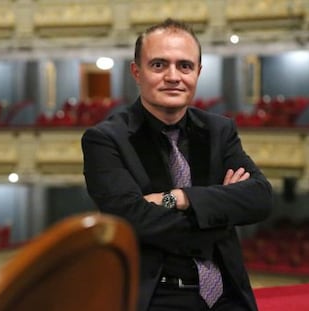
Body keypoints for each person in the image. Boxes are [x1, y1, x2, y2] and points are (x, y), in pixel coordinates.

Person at [81, 18, 273, 311]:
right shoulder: (105, 140)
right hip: (158, 298)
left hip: (228, 296)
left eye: (185, 66)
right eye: (159, 65)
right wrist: (220, 212)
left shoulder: (220, 131)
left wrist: (180, 197)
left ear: (198, 71)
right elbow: (131, 221)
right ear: (137, 72)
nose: (173, 76)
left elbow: (259, 197)